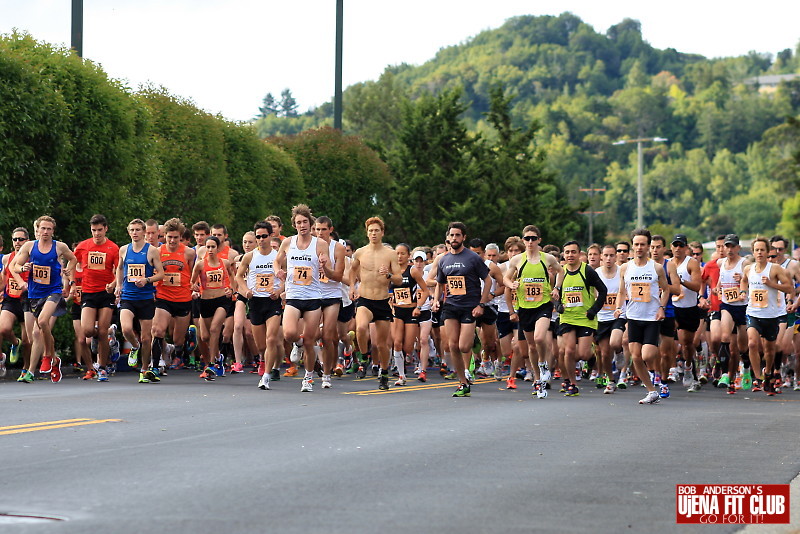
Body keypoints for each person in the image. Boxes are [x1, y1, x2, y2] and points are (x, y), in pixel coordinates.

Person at [12, 216, 77, 384]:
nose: (45, 232)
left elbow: (73, 259)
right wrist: (23, 267)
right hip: (35, 294)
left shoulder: (59, 247)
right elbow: (15, 266)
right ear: (38, 230)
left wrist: (68, 272)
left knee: (42, 322)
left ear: (53, 231)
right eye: (43, 228)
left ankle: (47, 356)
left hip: (53, 291)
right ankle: (55, 360)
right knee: (41, 329)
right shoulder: (29, 246)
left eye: (49, 229)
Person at [274, 204, 331, 392]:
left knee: (309, 340)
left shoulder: (320, 244)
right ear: (294, 225)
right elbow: (277, 260)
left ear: (310, 223)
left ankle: (308, 378)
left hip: (313, 296)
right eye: (298, 222)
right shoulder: (288, 243)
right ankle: (296, 344)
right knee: (289, 333)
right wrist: (278, 271)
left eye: (305, 221)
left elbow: (328, 268)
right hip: (293, 295)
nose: (302, 225)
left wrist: (324, 264)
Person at [432, 222, 493, 397]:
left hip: (470, 307)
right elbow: (440, 283)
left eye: (458, 235)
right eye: (451, 235)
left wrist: (481, 304)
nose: (454, 238)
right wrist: (437, 300)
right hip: (451, 306)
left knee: (464, 346)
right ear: (447, 237)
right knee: (452, 346)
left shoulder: (473, 258)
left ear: (463, 237)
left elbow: (487, 281)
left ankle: (475, 343)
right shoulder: (443, 259)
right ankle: (462, 383)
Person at [502, 225, 563, 391]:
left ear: (539, 240)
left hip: (543, 305)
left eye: (533, 238)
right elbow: (505, 279)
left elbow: (560, 271)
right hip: (525, 307)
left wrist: (556, 288)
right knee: (530, 347)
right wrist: (512, 283)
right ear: (523, 240)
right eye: (527, 238)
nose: (530, 241)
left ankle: (543, 364)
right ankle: (538, 379)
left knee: (539, 338)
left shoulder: (547, 258)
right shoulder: (517, 260)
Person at [614, 228, 670, 405]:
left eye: (642, 244)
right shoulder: (625, 268)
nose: (639, 248)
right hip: (633, 316)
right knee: (636, 357)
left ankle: (659, 377)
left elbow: (666, 289)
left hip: (651, 317)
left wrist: (662, 307)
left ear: (648, 247)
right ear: (632, 246)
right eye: (636, 244)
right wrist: (618, 308)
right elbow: (622, 291)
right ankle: (652, 391)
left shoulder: (656, 268)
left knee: (647, 355)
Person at [349, 216, 402, 391]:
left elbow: (399, 279)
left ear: (382, 232)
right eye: (370, 230)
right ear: (367, 233)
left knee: (382, 344)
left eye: (376, 230)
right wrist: (352, 287)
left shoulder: (390, 254)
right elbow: (352, 270)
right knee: (361, 328)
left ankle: (384, 373)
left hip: (382, 301)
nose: (373, 233)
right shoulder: (360, 252)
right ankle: (364, 357)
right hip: (364, 298)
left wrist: (388, 275)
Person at [742, 238, 795, 395]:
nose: (759, 253)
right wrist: (743, 292)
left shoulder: (775, 269)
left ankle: (768, 373)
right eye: (757, 250)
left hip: (771, 315)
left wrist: (772, 284)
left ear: (767, 252)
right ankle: (758, 377)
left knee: (770, 351)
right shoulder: (748, 269)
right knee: (752, 344)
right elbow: (744, 282)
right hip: (753, 312)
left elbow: (789, 288)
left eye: (762, 250)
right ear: (753, 252)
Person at [554, 241, 607, 397]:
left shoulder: (587, 271)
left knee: (583, 354)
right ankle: (572, 383)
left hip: (585, 318)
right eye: (567, 252)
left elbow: (603, 291)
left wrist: (593, 310)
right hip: (568, 317)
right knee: (568, 351)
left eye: (573, 252)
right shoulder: (561, 272)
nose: (570, 255)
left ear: (579, 254)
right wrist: (558, 306)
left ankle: (591, 360)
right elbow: (555, 294)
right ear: (564, 254)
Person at [236, 221, 284, 390]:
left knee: (271, 339)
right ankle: (263, 360)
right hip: (255, 301)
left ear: (271, 236)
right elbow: (239, 276)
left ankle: (266, 376)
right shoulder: (250, 256)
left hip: (272, 301)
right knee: (262, 345)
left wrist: (279, 291)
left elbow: (289, 277)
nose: (261, 239)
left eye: (264, 236)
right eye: (258, 237)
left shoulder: (278, 256)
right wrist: (245, 290)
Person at [116, 218, 165, 383]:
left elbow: (161, 274)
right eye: (132, 230)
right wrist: (118, 286)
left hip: (145, 298)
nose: (135, 233)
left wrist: (147, 280)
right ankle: (134, 347)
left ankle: (144, 369)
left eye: (138, 230)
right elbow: (120, 268)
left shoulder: (152, 251)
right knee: (126, 329)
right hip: (128, 297)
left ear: (144, 232)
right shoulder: (124, 250)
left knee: (146, 338)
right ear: (128, 232)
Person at [74, 214, 120, 381]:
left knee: (101, 332)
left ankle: (102, 367)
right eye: (94, 230)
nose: (97, 234)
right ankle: (110, 336)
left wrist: (114, 284)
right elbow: (73, 261)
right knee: (86, 331)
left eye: (100, 230)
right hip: (88, 292)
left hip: (106, 292)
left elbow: (119, 271)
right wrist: (69, 279)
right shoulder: (83, 246)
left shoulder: (113, 248)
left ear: (106, 229)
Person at [152, 218, 196, 374]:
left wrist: (195, 287)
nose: (172, 240)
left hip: (183, 298)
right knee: (158, 330)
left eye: (176, 237)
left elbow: (193, 275)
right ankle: (155, 366)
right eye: (169, 237)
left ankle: (179, 351)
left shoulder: (189, 253)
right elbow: (152, 272)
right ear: (164, 236)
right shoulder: (157, 252)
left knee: (177, 338)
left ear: (181, 237)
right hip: (163, 297)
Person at [191, 236, 236, 381]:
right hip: (205, 302)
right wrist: (195, 289)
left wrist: (231, 289)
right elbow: (192, 283)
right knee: (205, 337)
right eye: (208, 247)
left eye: (213, 247)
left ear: (218, 248)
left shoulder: (225, 263)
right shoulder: (200, 265)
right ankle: (218, 358)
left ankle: (211, 364)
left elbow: (232, 277)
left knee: (215, 329)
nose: (210, 250)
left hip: (221, 300)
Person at [389, 243, 429, 386]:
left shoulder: (412, 271)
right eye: (397, 253)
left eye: (402, 254)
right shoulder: (391, 271)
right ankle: (401, 375)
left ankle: (410, 360)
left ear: (408, 256)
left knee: (407, 347)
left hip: (411, 310)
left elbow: (425, 290)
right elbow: (386, 289)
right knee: (397, 342)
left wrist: (418, 306)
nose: (399, 256)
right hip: (397, 311)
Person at [669, 234, 704, 392]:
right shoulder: (668, 264)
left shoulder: (692, 263)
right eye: (675, 245)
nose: (678, 248)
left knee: (686, 343)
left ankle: (689, 366)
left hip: (688, 308)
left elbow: (697, 286)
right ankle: (668, 371)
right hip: (672, 306)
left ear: (686, 248)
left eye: (681, 245)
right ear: (671, 247)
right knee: (667, 339)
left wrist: (680, 281)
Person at [595, 244, 626, 394]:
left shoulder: (622, 271)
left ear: (616, 257)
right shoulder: (596, 273)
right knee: (604, 353)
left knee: (614, 343)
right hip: (601, 317)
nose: (608, 258)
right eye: (605, 255)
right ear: (601, 256)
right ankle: (611, 380)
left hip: (618, 314)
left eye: (611, 255)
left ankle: (619, 351)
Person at [0, 228, 31, 372]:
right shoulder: (7, 258)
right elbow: (3, 280)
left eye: (21, 239)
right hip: (11, 300)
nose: (17, 242)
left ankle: (25, 369)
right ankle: (14, 343)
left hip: (28, 300)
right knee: (3, 329)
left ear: (27, 241)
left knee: (28, 341)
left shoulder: (33, 257)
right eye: (15, 239)